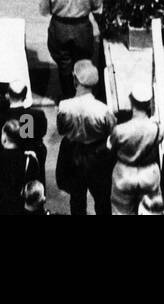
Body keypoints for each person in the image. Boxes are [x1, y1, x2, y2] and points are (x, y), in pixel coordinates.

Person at [55, 60, 115, 216]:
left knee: (76, 197)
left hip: (73, 154)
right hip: (97, 155)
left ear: (75, 80)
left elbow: (61, 130)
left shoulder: (64, 106)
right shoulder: (103, 110)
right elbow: (112, 132)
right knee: (102, 199)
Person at [42, 0, 101, 99]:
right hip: (82, 28)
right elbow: (97, 7)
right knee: (84, 61)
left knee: (63, 64)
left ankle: (68, 96)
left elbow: (44, 10)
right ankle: (84, 95)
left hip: (60, 28)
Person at [108, 83, 163, 215]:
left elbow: (110, 146)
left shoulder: (119, 130)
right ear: (149, 104)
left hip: (124, 175)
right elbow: (159, 139)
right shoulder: (157, 129)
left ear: (131, 101)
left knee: (121, 211)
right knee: (151, 211)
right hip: (149, 174)